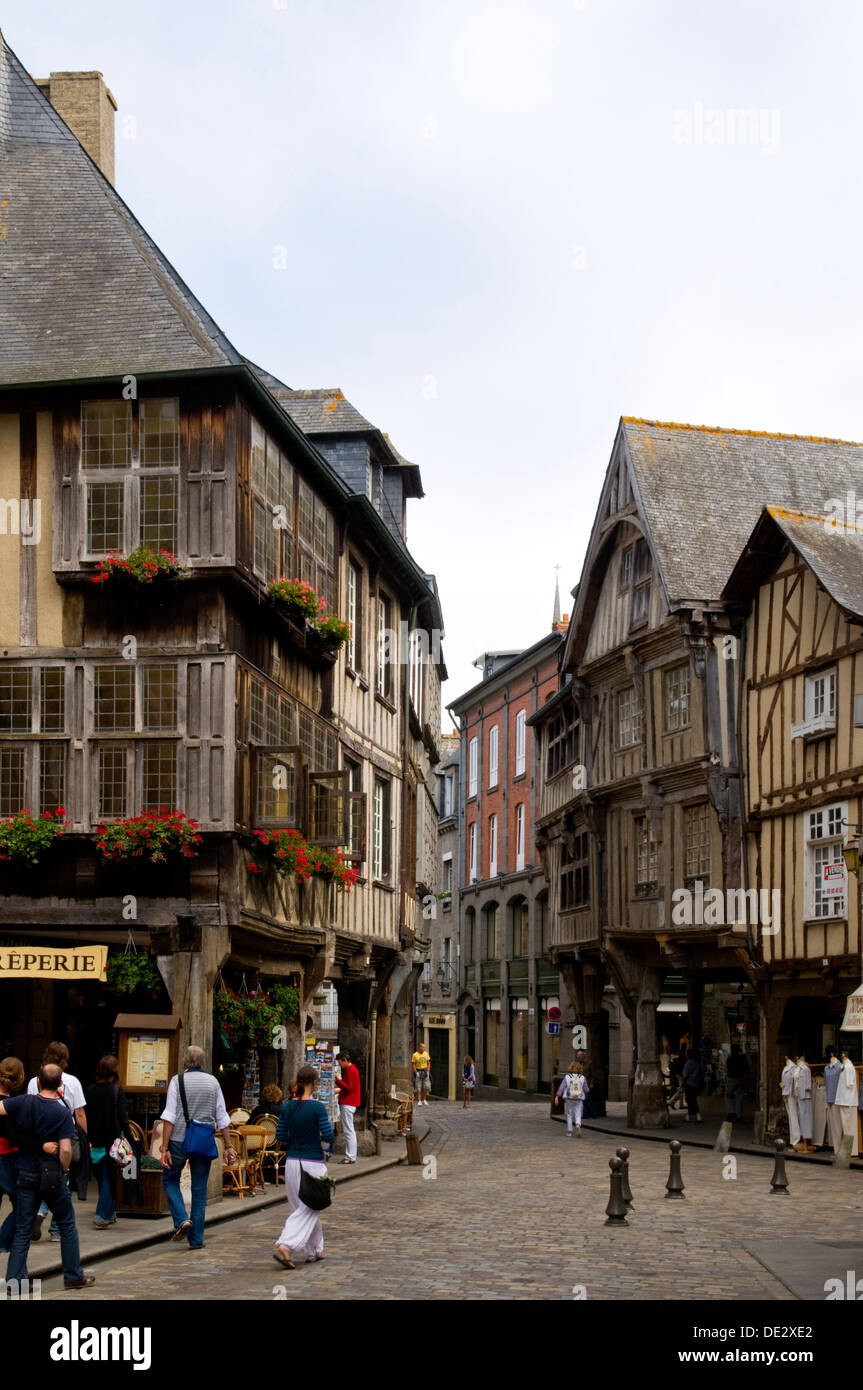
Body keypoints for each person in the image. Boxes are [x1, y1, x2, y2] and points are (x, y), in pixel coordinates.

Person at [0, 1063, 95, 1289]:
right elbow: (65, 1150)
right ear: (61, 1084)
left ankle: (14, 1282)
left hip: (25, 1172)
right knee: (67, 1224)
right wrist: (64, 1170)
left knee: (23, 1228)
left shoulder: (23, 1102)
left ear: (38, 1082)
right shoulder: (61, 1112)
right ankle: (73, 1276)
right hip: (51, 1174)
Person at [159, 1045, 236, 1249]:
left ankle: (181, 1219)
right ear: (203, 1062)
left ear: (185, 1062)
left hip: (178, 1139)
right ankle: (196, 1239)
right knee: (199, 1189)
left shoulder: (177, 1081)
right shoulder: (213, 1082)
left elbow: (169, 1116)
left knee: (169, 1179)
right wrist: (229, 1146)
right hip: (203, 1139)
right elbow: (222, 1116)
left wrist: (164, 1147)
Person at [273, 1064, 334, 1269]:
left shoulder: (287, 1106)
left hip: (291, 1162)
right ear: (314, 1083)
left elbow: (280, 1135)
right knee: (310, 1206)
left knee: (304, 1206)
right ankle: (287, 1244)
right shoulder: (316, 1107)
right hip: (312, 1161)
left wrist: (296, 1137)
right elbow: (328, 1135)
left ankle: (314, 1250)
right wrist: (314, 1136)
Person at [84, 1055, 134, 1229]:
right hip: (111, 1141)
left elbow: (86, 1116)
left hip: (94, 1141)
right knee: (108, 1178)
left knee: (101, 1177)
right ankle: (102, 1216)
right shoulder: (116, 1091)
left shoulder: (90, 1090)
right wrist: (130, 1138)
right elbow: (123, 1118)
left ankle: (109, 1212)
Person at [0, 1057, 25, 1253]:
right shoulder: (13, 1105)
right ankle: (2, 1241)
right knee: (22, 1204)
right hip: (7, 1157)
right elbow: (12, 1137)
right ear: (20, 1078)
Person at [334, 1051, 361, 1165]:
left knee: (349, 1130)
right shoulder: (352, 1069)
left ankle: (350, 1156)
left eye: (340, 1062)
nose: (340, 1065)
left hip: (348, 1103)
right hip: (350, 1102)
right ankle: (351, 1156)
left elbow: (348, 1087)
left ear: (344, 1060)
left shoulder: (351, 1070)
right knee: (349, 1130)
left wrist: (338, 1080)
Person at [555, 1061, 589, 1136]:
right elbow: (586, 1090)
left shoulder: (567, 1077)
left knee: (569, 1114)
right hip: (579, 1098)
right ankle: (577, 1124)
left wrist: (557, 1096)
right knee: (578, 1113)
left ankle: (569, 1131)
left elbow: (562, 1087)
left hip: (569, 1097)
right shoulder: (582, 1077)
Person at [724, 1044, 748, 1122]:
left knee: (728, 1095)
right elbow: (747, 1069)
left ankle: (731, 1112)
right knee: (739, 1098)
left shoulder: (730, 1059)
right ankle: (738, 1116)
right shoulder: (743, 1058)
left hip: (732, 1079)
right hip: (741, 1079)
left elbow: (729, 1070)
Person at [682, 1049, 703, 1123]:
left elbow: (685, 1075)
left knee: (691, 1101)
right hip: (696, 1084)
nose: (685, 1055)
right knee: (691, 1100)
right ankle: (688, 1117)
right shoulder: (697, 1063)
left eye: (686, 1053)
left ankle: (698, 1117)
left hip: (689, 1084)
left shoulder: (688, 1063)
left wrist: (682, 1083)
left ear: (688, 1055)